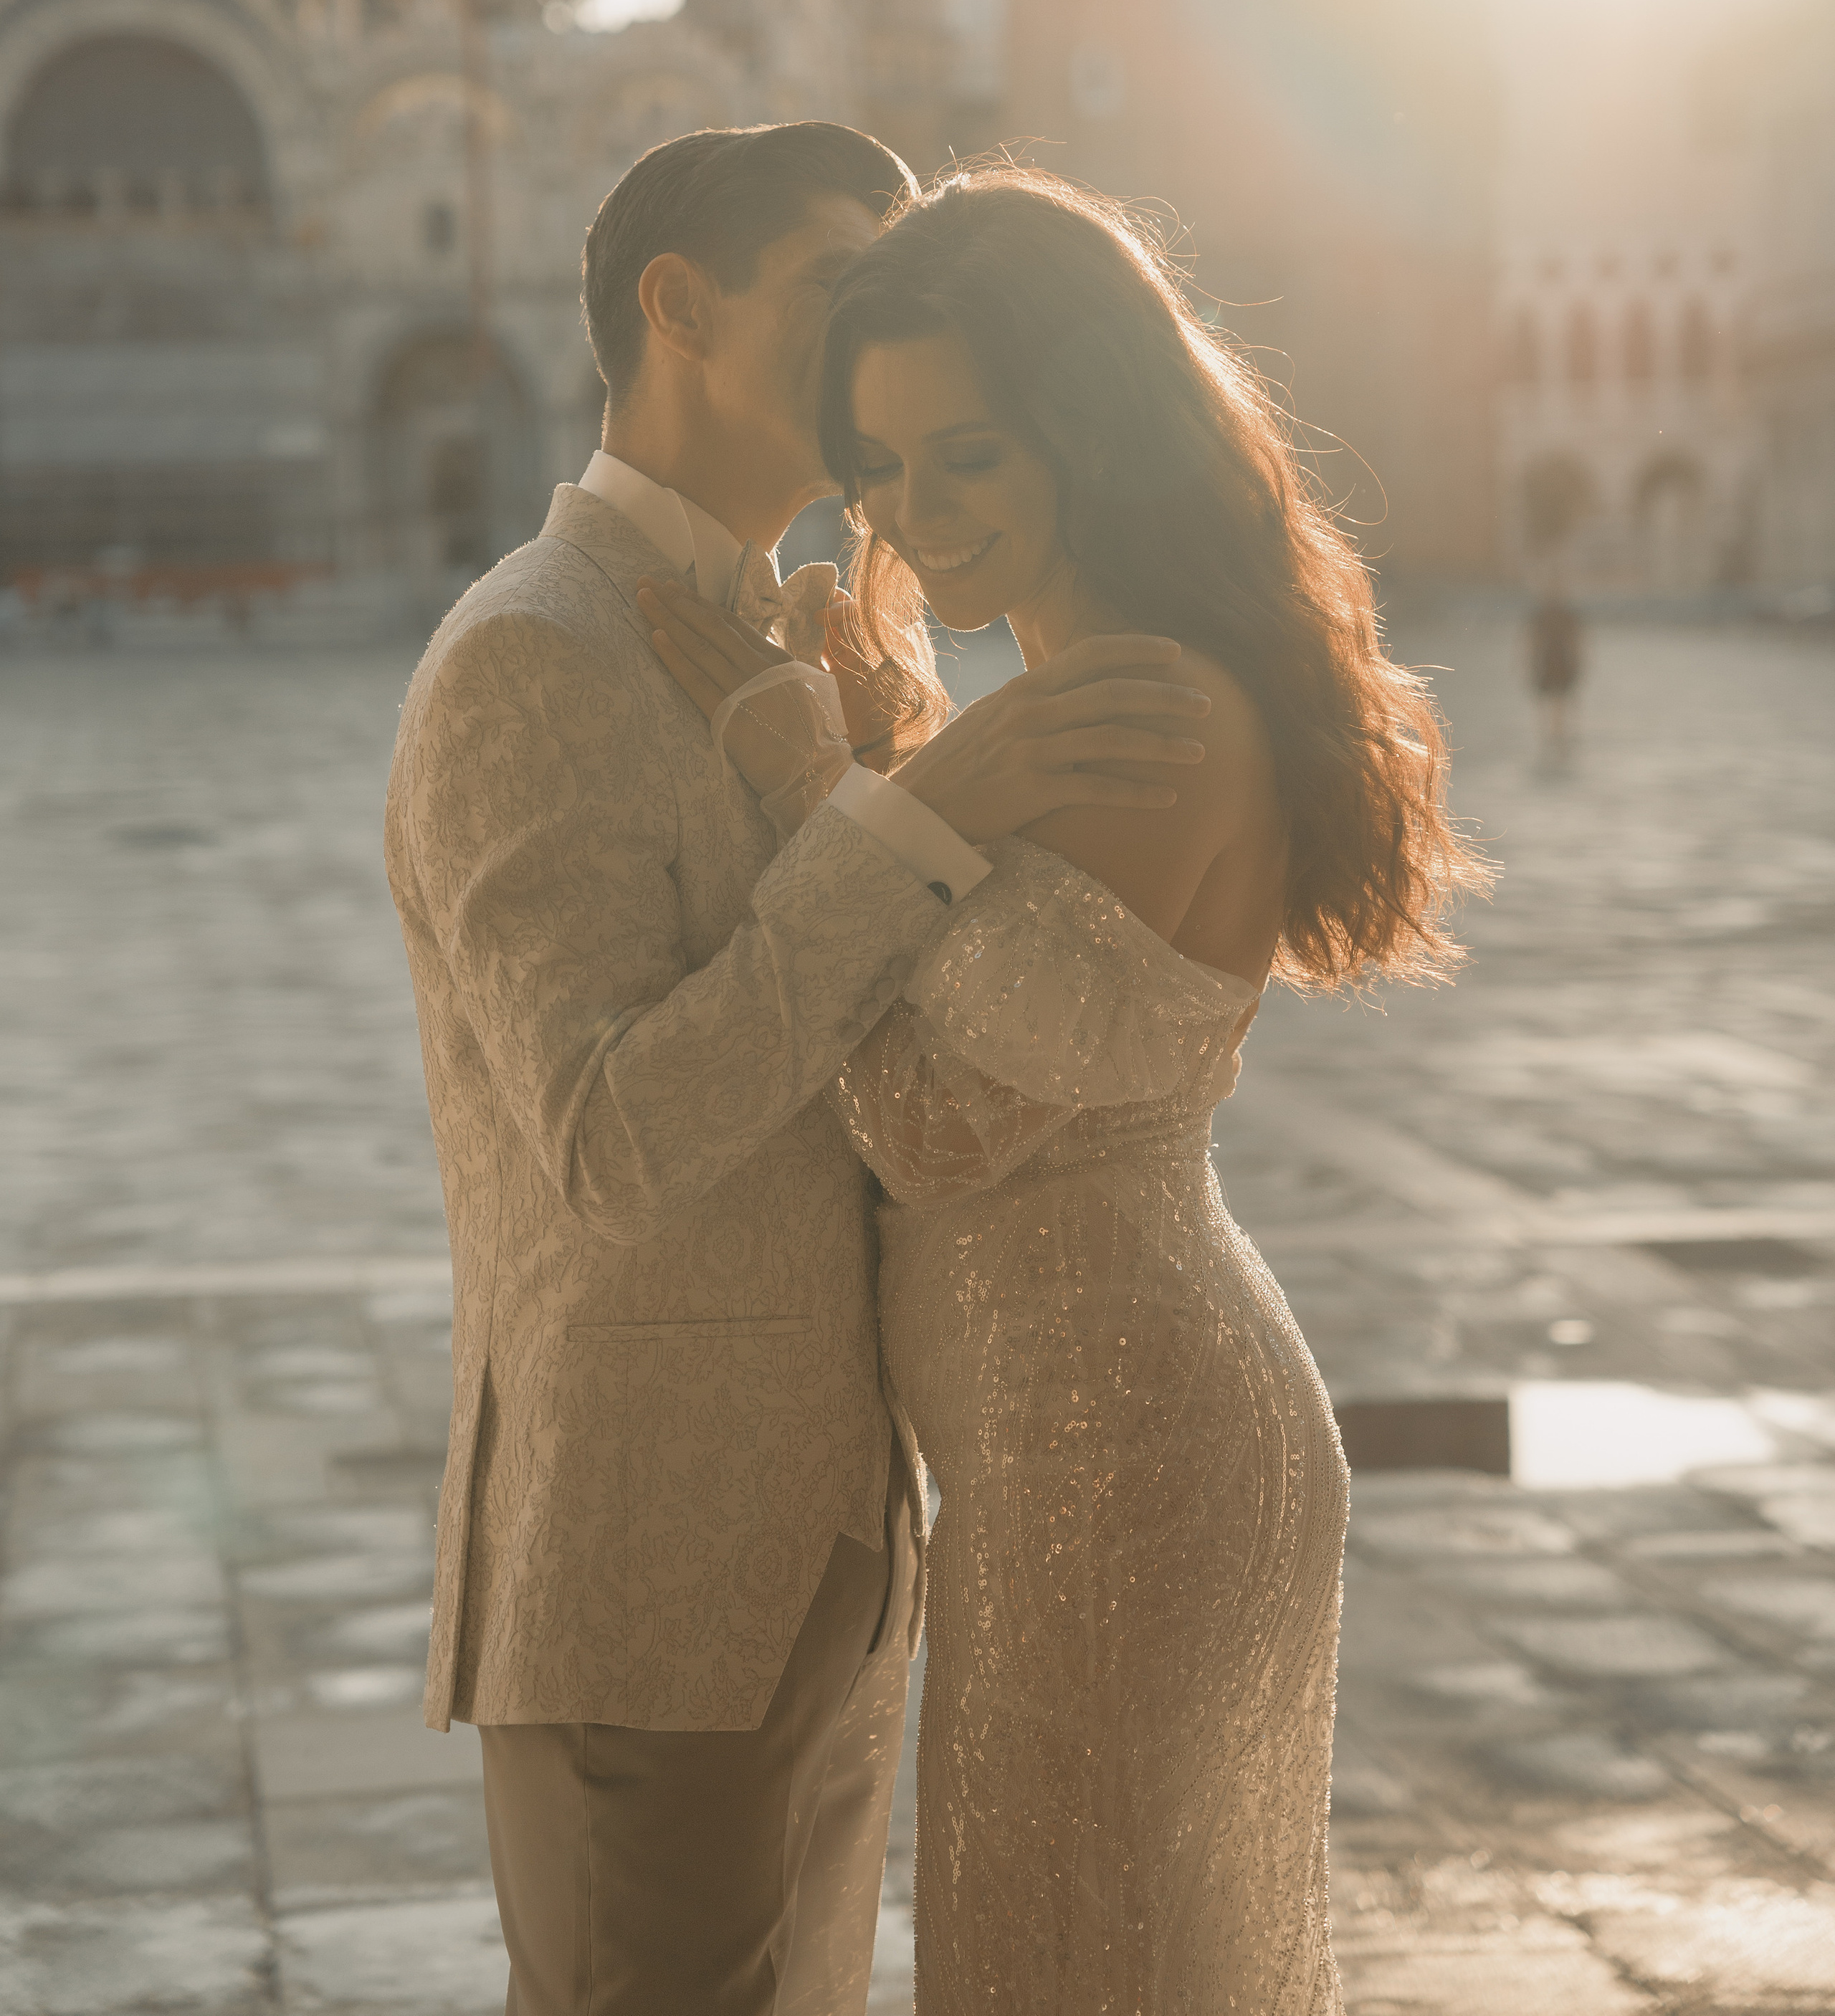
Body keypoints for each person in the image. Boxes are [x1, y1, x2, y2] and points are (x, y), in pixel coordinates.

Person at [383, 124, 1215, 2016]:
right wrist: (913, 813)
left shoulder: (794, 628)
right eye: (840, 293)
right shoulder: (530, 651)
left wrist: (878, 768)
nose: (879, 353)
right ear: (679, 308)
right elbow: (606, 1131)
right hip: (648, 1557)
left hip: (833, 1538)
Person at [642, 167, 1489, 2016]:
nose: (907, 514)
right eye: (875, 465)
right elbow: (974, 971)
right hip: (1078, 1455)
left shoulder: (1139, 710)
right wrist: (906, 763)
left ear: (1087, 434)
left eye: (965, 456)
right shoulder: (1065, 692)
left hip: (1121, 1463)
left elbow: (921, 1124)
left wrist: (824, 785)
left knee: (1065, 1967)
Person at [1527, 586, 1583, 762]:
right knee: (1554, 701)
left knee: (1557, 701)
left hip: (1556, 660)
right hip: (1553, 660)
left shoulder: (1556, 616)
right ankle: (1554, 735)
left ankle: (1554, 735)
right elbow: (1533, 640)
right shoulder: (1549, 616)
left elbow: (1575, 640)